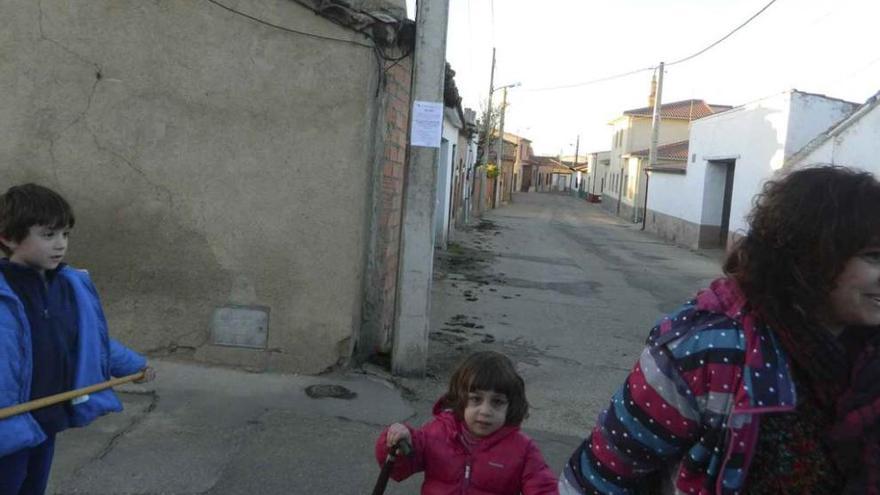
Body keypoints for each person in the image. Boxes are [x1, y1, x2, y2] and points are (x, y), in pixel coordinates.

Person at [559, 165, 880, 494]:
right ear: (812, 256)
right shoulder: (708, 350)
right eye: (873, 257)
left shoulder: (869, 359)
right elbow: (601, 474)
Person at [0, 183, 155, 495]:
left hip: (47, 415)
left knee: (33, 487)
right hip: (7, 423)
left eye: (65, 234)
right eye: (48, 235)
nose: (60, 245)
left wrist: (134, 365)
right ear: (8, 237)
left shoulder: (70, 287)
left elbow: (91, 341)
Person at [376, 351, 559, 494]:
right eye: (476, 399)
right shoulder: (437, 433)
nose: (485, 411)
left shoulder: (522, 450)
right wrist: (396, 441)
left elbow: (543, 488)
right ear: (461, 399)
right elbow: (399, 470)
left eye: (497, 402)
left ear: (510, 406)